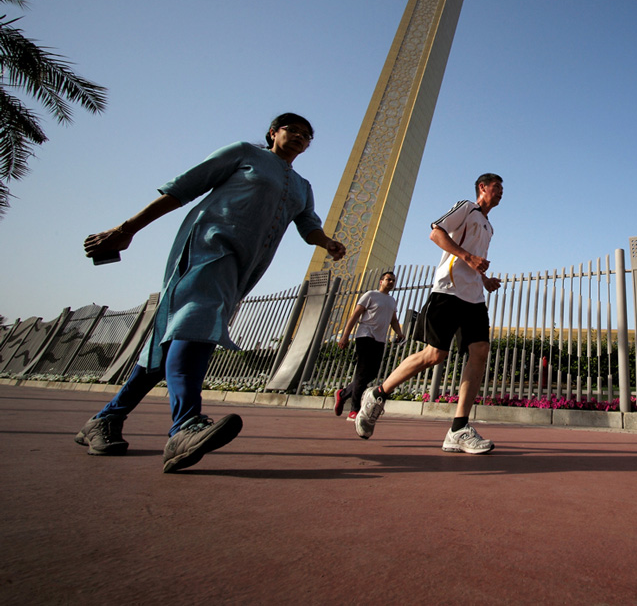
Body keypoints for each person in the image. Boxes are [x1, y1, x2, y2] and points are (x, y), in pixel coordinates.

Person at [78, 113, 346, 472]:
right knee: (195, 326)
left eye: (306, 135)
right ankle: (185, 426)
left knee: (174, 338)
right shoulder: (243, 154)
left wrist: (327, 242)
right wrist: (127, 229)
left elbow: (308, 223)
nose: (299, 137)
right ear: (273, 132)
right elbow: (183, 187)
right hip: (208, 248)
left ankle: (107, 418)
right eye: (291, 130)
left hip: (244, 267)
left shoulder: (302, 185)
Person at [355, 173, 503, 454]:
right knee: (436, 355)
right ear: (482, 188)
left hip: (473, 298)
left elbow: (472, 262)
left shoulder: (489, 227)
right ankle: (377, 394)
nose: (501, 192)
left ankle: (458, 429)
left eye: (502, 189)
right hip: (447, 292)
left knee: (480, 351)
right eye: (497, 187)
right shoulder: (466, 207)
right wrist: (468, 257)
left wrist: (484, 279)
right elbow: (435, 232)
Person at [332, 270, 404, 420]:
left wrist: (399, 333)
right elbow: (355, 315)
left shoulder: (392, 301)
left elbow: (393, 319)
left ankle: (343, 394)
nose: (391, 282)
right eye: (388, 279)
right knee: (362, 371)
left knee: (372, 373)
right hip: (365, 335)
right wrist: (345, 336)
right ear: (381, 281)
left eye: (393, 280)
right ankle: (354, 409)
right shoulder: (370, 295)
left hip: (380, 339)